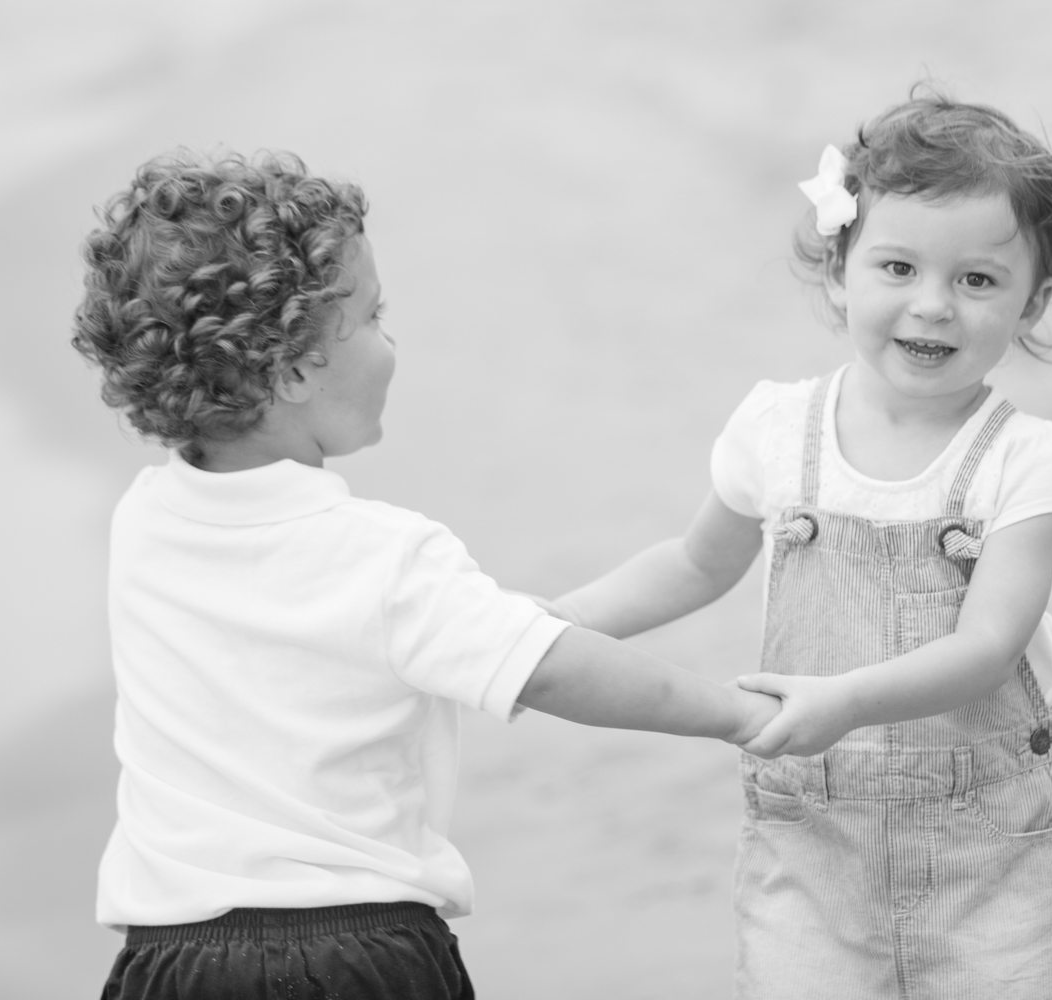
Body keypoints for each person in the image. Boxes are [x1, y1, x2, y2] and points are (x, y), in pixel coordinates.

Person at [70, 149, 787, 1000]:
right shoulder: (387, 555)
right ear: (294, 370)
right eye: (373, 318)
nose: (392, 342)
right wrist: (739, 715)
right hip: (351, 954)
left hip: (168, 960)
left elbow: (424, 639)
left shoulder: (145, 524)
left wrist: (519, 626)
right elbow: (552, 669)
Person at [547, 88, 1052, 998]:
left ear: (1033, 301)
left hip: (995, 857)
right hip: (810, 854)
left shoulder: (1020, 458)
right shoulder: (777, 429)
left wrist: (847, 701)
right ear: (840, 269)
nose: (932, 306)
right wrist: (561, 619)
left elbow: (987, 646)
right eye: (898, 267)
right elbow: (697, 562)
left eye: (977, 280)